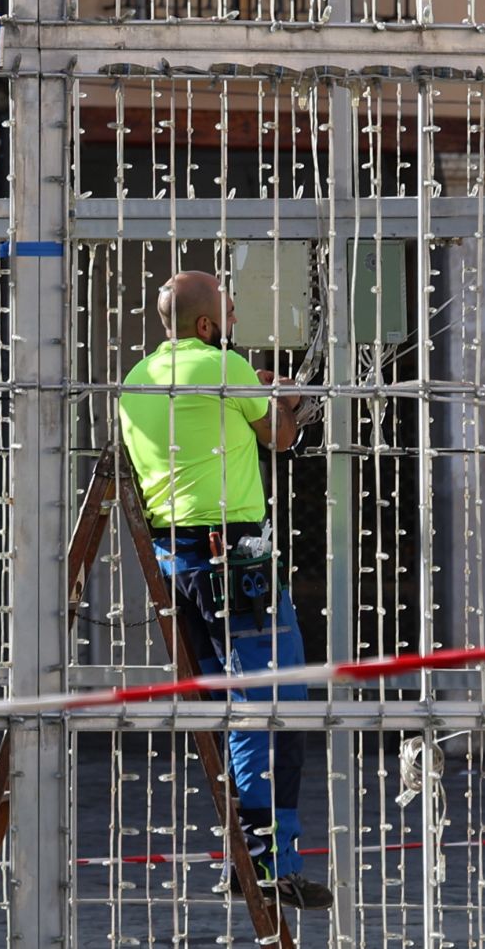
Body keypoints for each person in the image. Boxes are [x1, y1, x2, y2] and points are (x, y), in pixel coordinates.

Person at [117, 271, 333, 911]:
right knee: (274, 708)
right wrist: (287, 397)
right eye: (230, 313)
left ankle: (247, 856)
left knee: (226, 711)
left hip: (174, 566)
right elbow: (281, 437)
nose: (235, 323)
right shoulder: (226, 366)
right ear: (208, 325)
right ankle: (271, 863)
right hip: (236, 562)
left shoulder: (135, 381)